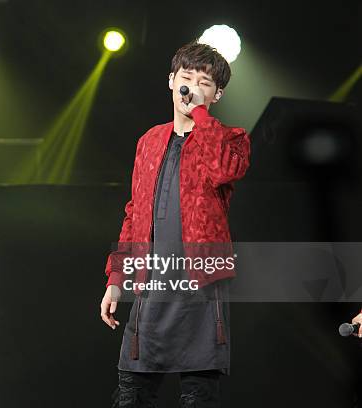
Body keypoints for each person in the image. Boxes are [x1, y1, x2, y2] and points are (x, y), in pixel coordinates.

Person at [100, 42, 251, 407]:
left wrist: (200, 115)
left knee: (198, 396)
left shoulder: (230, 139)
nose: (192, 87)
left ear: (218, 93)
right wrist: (116, 281)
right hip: (151, 284)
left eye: (204, 82)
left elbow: (224, 170)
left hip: (199, 287)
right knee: (132, 394)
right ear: (171, 81)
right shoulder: (149, 141)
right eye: (186, 78)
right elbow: (134, 214)